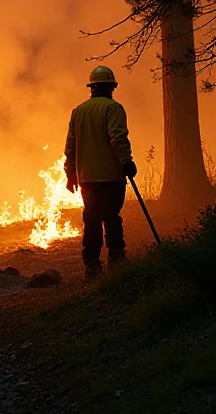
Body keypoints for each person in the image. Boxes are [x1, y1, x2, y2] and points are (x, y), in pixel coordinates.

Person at [64, 66, 137, 281]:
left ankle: (92, 265)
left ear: (91, 88)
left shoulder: (78, 111)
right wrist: (127, 162)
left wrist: (70, 174)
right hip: (112, 176)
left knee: (91, 219)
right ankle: (116, 259)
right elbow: (118, 138)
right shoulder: (113, 109)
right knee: (111, 218)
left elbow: (71, 146)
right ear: (111, 87)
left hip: (87, 178)